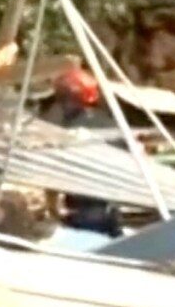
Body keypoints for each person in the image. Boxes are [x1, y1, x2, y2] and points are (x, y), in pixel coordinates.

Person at [38, 67, 123, 237]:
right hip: (112, 209)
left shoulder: (70, 131)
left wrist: (53, 209)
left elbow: (54, 171)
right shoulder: (110, 124)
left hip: (84, 211)